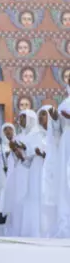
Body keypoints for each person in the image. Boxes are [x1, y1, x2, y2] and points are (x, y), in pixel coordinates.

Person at [50, 82, 70, 237]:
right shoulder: (65, 103)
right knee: (65, 182)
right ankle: (65, 226)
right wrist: (55, 119)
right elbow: (58, 130)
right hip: (66, 143)